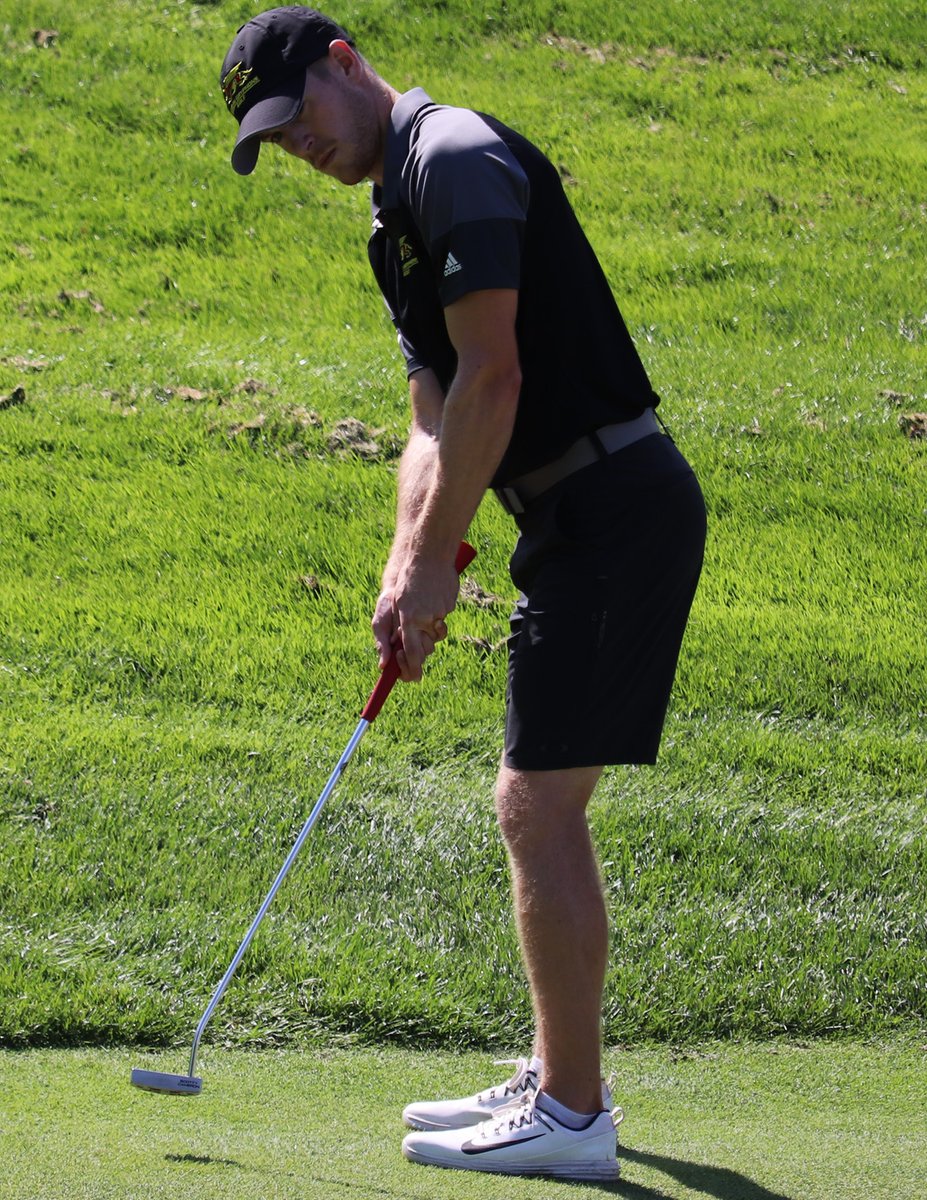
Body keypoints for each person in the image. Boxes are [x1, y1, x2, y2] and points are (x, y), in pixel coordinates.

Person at [220, 7, 706, 1181]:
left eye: (301, 121)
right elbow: (434, 411)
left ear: (346, 62)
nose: (303, 150)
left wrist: (444, 561)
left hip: (615, 506)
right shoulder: (395, 221)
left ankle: (575, 1117)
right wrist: (406, 558)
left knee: (536, 806)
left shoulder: (456, 160)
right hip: (571, 518)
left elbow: (499, 371)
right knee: (534, 803)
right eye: (278, 145)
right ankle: (558, 1077)